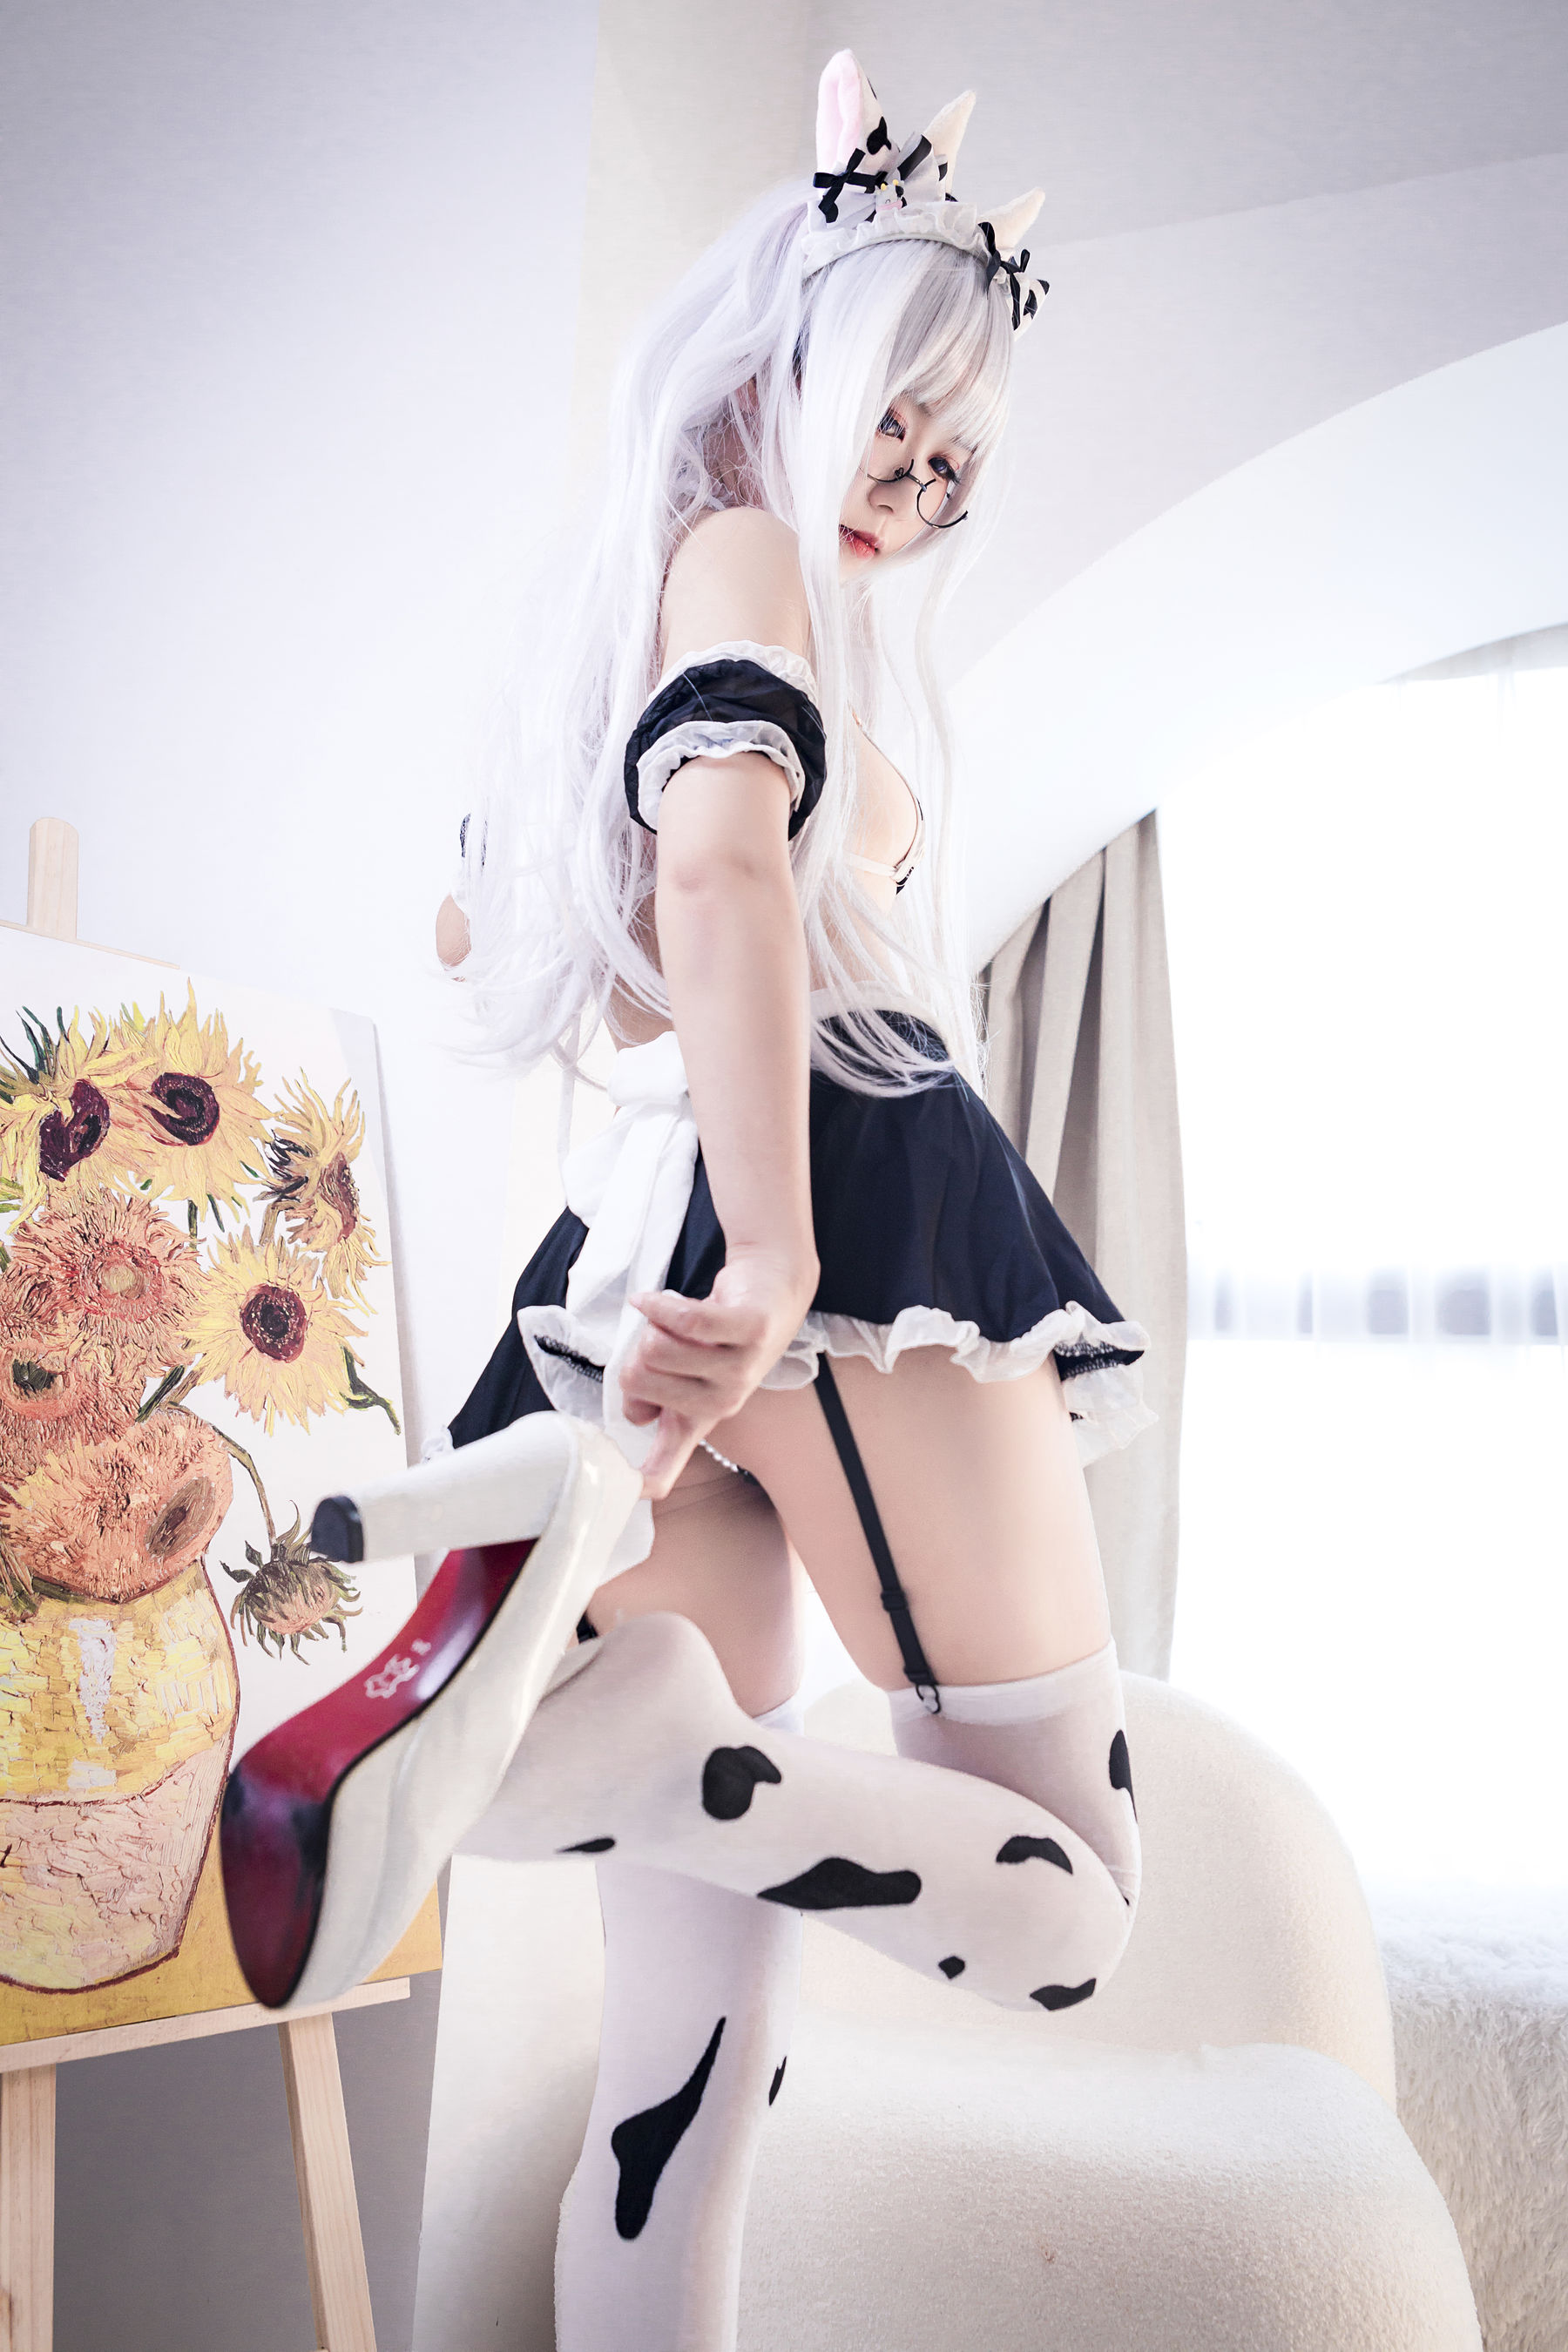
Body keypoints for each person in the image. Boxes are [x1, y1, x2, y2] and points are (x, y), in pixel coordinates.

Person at [225, 51, 1154, 2352]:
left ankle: (645, 1744)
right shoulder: (738, 557)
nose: (924, 482)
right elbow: (723, 874)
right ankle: (660, 1747)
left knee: (690, 2066)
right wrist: (790, 1247)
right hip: (812, 1229)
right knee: (1073, 1908)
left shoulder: (628, 610)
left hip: (645, 1269)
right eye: (898, 418)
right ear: (787, 359)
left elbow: (523, 925)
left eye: (960, 459)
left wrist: (736, 1231)